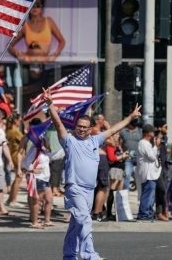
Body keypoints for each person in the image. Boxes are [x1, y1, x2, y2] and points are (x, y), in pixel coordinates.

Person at [44, 88, 141, 260]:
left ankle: (69, 255)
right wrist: (51, 105)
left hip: (89, 190)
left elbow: (113, 130)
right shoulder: (69, 141)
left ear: (90, 129)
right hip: (74, 188)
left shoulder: (95, 140)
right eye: (79, 127)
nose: (81, 130)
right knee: (84, 220)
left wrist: (130, 117)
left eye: (84, 127)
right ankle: (89, 254)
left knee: (76, 224)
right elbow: (58, 124)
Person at [8, 0, 65, 64]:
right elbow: (9, 45)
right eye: (32, 5)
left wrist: (55, 55)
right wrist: (19, 55)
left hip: (45, 63)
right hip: (29, 63)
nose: (35, 8)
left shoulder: (49, 21)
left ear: (42, 6)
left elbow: (62, 41)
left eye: (38, 5)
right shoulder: (25, 26)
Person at [136, 124, 162, 221]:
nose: (153, 133)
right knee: (147, 194)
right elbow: (151, 157)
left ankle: (148, 213)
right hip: (147, 173)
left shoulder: (146, 143)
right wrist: (156, 146)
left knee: (150, 194)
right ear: (148, 133)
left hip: (150, 173)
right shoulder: (143, 143)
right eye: (152, 131)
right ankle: (143, 214)